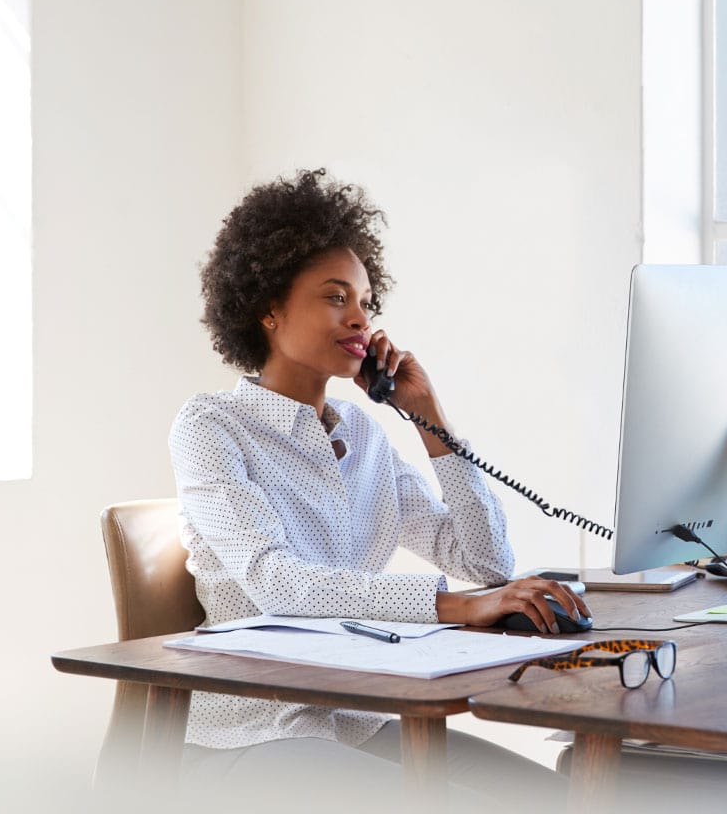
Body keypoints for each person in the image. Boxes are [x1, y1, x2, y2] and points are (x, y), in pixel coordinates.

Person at [168, 168, 588, 807]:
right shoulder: (210, 426)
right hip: (250, 738)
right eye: (336, 297)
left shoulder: (360, 433)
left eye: (365, 300)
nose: (360, 318)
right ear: (270, 308)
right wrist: (454, 606)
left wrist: (431, 419)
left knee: (555, 800)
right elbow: (279, 583)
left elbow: (484, 562)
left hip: (353, 723)